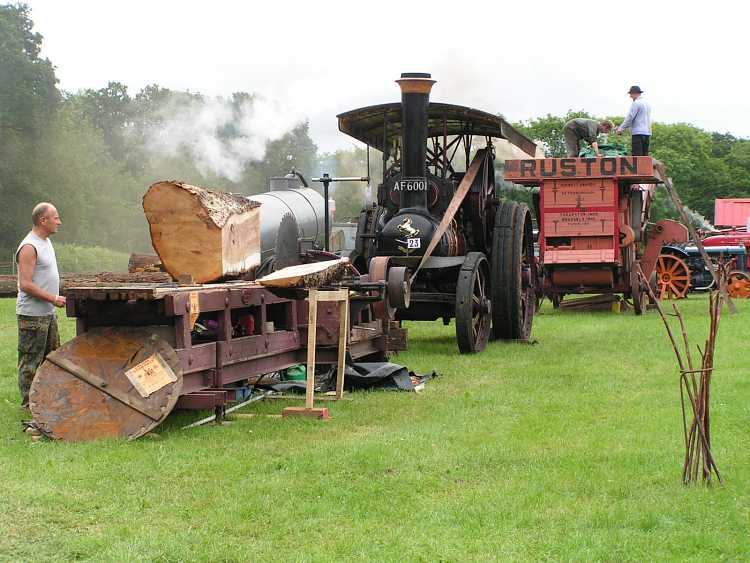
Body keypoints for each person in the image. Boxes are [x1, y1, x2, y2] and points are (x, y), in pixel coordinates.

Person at [15, 203, 65, 409]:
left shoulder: (46, 242)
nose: (59, 222)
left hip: (48, 313)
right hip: (32, 315)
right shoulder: (29, 246)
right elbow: (25, 284)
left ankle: (47, 399)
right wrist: (53, 298)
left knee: (52, 358)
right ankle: (29, 404)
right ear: (42, 220)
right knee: (30, 362)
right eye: (55, 217)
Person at [617, 85, 652, 156]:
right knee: (645, 156)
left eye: (631, 94)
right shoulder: (648, 104)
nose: (630, 96)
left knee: (637, 157)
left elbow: (630, 117)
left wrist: (621, 128)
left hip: (637, 133)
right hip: (647, 133)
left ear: (635, 93)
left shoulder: (636, 103)